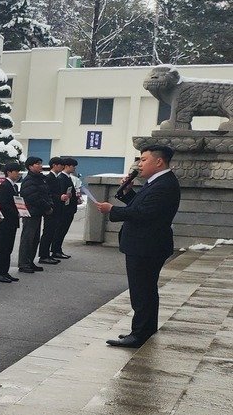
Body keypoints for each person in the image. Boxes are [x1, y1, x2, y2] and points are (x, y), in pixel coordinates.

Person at [93, 144, 182, 348]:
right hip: (145, 244)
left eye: (143, 160)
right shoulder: (157, 182)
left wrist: (112, 210)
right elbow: (142, 206)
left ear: (159, 161)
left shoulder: (164, 184)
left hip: (147, 246)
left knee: (142, 291)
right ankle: (145, 329)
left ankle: (139, 334)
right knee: (145, 289)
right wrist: (127, 192)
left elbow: (144, 214)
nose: (139, 165)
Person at [17, 156, 52, 274]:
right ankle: (23, 263)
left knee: (35, 239)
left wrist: (49, 204)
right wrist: (46, 206)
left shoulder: (40, 179)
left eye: (41, 163)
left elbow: (46, 193)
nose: (40, 166)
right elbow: (33, 197)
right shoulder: (29, 180)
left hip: (38, 212)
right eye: (37, 164)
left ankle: (30, 261)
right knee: (28, 239)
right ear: (30, 166)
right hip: (30, 213)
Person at [0, 162, 22, 283]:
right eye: (16, 171)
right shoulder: (5, 186)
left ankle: (5, 271)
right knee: (3, 248)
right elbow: (3, 204)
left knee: (9, 247)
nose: (18, 174)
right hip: (5, 221)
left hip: (12, 221)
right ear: (9, 172)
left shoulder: (14, 186)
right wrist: (16, 212)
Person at [38, 156, 71, 264]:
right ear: (54, 165)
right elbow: (48, 194)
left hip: (57, 208)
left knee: (52, 232)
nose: (62, 167)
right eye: (60, 165)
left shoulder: (56, 177)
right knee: (48, 232)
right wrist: (59, 197)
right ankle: (44, 255)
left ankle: (48, 254)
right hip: (51, 208)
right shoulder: (49, 178)